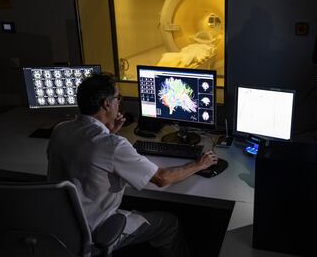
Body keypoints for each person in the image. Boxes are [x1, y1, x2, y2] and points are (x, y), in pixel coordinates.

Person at [47, 73, 218, 257]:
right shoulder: (112, 145)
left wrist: (109, 132)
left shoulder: (61, 129)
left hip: (58, 230)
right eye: (118, 98)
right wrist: (199, 164)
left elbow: (86, 156)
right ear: (106, 104)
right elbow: (162, 178)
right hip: (95, 232)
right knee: (170, 224)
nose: (119, 103)